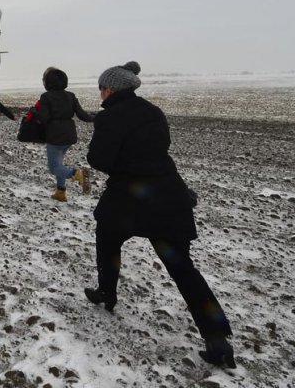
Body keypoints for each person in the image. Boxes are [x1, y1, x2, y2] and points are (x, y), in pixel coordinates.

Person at [84, 61, 235, 369]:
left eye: (101, 88)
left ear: (109, 89)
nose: (100, 93)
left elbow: (99, 159)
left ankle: (107, 292)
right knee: (183, 270)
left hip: (129, 197)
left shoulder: (109, 117)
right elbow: (161, 147)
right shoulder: (153, 111)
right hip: (169, 194)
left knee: (108, 240)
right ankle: (218, 341)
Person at [36, 67, 94, 202]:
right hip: (69, 135)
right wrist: (97, 117)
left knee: (54, 168)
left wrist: (35, 111)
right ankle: (60, 192)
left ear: (47, 82)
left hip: (55, 136)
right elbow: (82, 115)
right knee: (59, 164)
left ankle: (76, 174)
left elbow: (43, 118)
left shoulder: (46, 97)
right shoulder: (70, 96)